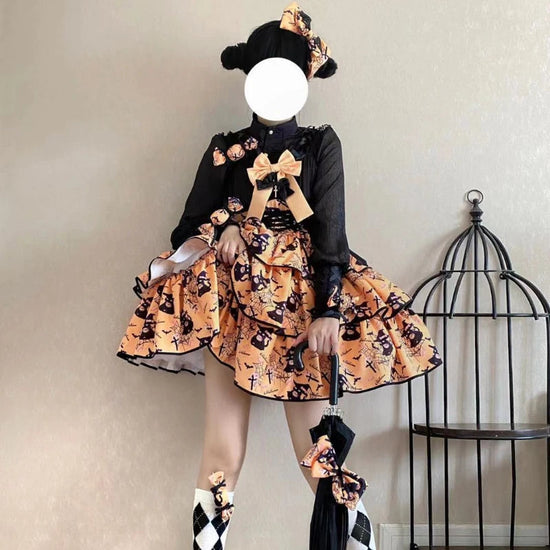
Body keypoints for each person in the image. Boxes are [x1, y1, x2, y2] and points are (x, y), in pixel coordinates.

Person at [115, 2, 442, 548]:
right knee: (223, 450)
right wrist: (224, 227)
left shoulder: (321, 144)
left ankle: (360, 543)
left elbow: (332, 233)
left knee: (317, 451)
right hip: (229, 303)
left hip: (300, 306)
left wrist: (329, 310)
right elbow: (186, 227)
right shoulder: (224, 148)